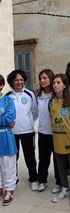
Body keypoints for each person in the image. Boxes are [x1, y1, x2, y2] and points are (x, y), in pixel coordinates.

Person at [49, 73, 70, 206]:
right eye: (54, 83)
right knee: (60, 166)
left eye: (58, 83)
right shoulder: (51, 102)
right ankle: (65, 188)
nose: (55, 85)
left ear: (65, 85)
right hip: (57, 138)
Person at [6, 69, 39, 191]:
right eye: (16, 80)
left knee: (30, 156)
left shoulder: (29, 94)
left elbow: (35, 112)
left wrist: (28, 122)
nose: (19, 82)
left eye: (21, 80)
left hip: (27, 131)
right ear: (12, 82)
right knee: (13, 157)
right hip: (12, 132)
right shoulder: (8, 97)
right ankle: (13, 179)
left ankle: (34, 179)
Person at [36, 69, 61, 193]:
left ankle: (59, 182)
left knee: (58, 160)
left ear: (51, 79)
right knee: (43, 159)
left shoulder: (56, 95)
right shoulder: (38, 96)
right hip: (43, 132)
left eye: (45, 78)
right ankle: (42, 181)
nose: (42, 80)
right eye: (40, 78)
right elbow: (35, 113)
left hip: (56, 133)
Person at [0, 75, 17, 206]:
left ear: (1, 86)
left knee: (8, 166)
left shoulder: (8, 101)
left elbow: (9, 117)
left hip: (5, 140)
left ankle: (9, 190)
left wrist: (6, 121)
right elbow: (4, 120)